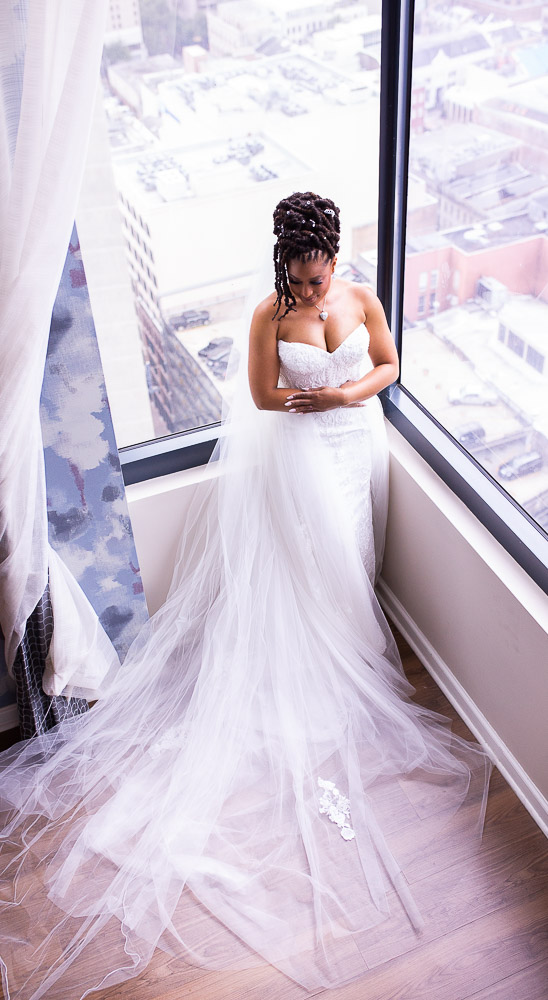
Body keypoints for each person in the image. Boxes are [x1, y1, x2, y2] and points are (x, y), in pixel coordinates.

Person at [0, 192, 492, 999]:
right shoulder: (268, 316)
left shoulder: (361, 295)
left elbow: (390, 365)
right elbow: (263, 397)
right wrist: (318, 398)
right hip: (302, 452)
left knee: (356, 550)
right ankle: (329, 658)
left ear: (332, 257)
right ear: (283, 268)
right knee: (322, 553)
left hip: (353, 441)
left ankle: (353, 643)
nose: (307, 290)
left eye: (316, 276)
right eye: (297, 280)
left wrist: (347, 396)